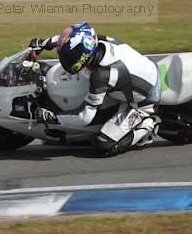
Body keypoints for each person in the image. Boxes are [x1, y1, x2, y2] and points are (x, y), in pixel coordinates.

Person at [29, 22, 161, 157]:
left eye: (67, 55)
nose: (63, 58)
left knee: (104, 144)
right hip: (143, 71)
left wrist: (55, 118)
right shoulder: (97, 41)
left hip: (142, 103)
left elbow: (85, 116)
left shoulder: (101, 75)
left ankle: (147, 126)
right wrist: (45, 43)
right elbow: (72, 39)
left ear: (79, 56)